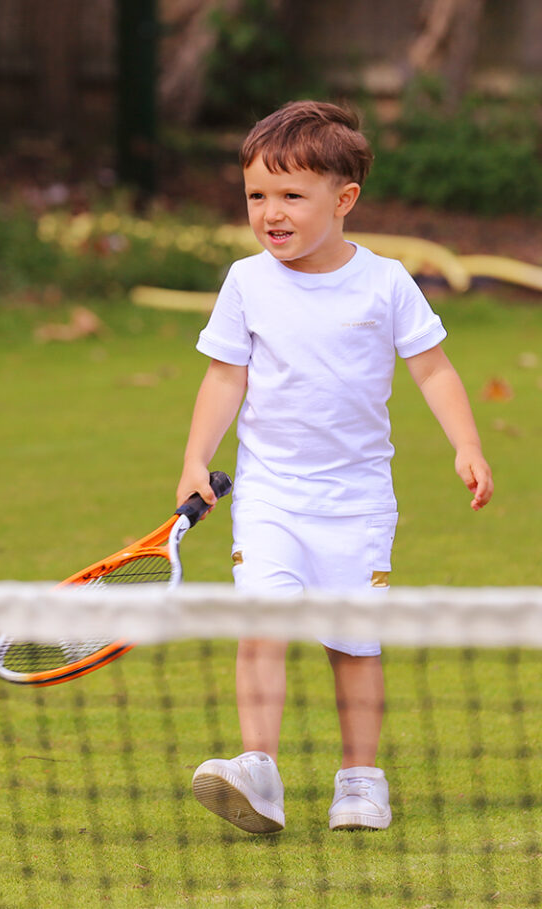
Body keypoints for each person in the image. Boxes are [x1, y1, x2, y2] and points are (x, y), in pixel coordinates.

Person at [176, 100, 493, 834]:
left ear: (344, 198)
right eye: (256, 195)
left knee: (352, 644)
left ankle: (360, 780)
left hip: (357, 502)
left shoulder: (386, 282)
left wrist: (467, 444)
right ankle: (259, 771)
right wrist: (196, 457)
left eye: (291, 195)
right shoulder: (246, 282)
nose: (270, 213)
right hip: (269, 496)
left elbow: (434, 369)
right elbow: (224, 377)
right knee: (261, 622)